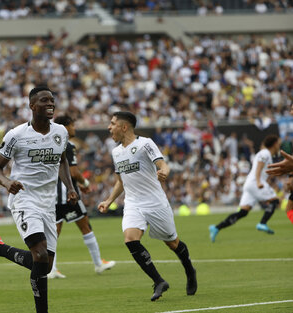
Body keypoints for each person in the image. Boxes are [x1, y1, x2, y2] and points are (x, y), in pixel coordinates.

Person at [0, 86, 78, 313]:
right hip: (24, 198)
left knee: (46, 264)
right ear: (32, 106)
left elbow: (62, 161)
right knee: (40, 255)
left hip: (48, 202)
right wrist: (6, 182)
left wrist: (70, 188)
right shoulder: (16, 135)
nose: (50, 103)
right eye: (44, 100)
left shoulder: (60, 132)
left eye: (52, 99)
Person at [98, 111, 197, 301]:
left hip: (154, 202)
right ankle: (159, 280)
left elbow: (162, 164)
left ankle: (189, 269)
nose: (109, 127)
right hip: (133, 203)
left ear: (124, 127)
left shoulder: (145, 143)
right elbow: (121, 182)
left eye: (112, 124)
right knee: (130, 239)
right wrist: (109, 200)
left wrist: (164, 171)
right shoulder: (116, 152)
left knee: (172, 243)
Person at [48, 115, 115, 279]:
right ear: (65, 127)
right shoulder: (67, 145)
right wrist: (85, 183)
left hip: (51, 196)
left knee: (53, 232)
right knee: (85, 226)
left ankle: (51, 269)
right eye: (72, 125)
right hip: (68, 195)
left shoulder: (48, 144)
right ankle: (98, 263)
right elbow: (73, 172)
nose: (75, 129)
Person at [210, 134, 281, 241]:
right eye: (278, 144)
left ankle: (216, 227)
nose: (279, 147)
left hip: (250, 184)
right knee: (275, 201)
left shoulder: (265, 153)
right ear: (275, 144)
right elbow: (259, 167)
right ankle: (262, 223)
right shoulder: (265, 153)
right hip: (255, 183)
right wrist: (258, 182)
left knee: (243, 212)